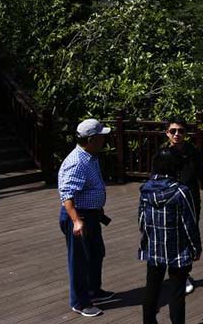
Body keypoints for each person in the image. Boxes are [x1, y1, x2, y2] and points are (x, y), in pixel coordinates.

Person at [58, 118, 114, 317]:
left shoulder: (90, 156)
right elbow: (67, 195)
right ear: (91, 139)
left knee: (96, 252)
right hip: (79, 216)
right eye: (101, 136)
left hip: (91, 214)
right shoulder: (76, 162)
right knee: (79, 260)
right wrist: (76, 221)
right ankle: (80, 302)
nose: (104, 139)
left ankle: (93, 291)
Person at [139, 147, 202, 324]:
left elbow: (141, 221)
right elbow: (189, 223)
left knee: (152, 288)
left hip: (154, 246)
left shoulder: (145, 190)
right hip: (178, 248)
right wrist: (196, 248)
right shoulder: (181, 191)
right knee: (177, 292)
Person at [163, 118, 203, 294]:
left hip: (190, 202)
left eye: (180, 131)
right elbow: (155, 178)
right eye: (173, 131)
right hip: (169, 202)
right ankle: (174, 273)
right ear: (167, 133)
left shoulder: (193, 152)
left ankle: (184, 274)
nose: (177, 134)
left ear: (185, 134)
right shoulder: (162, 153)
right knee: (171, 237)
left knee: (188, 237)